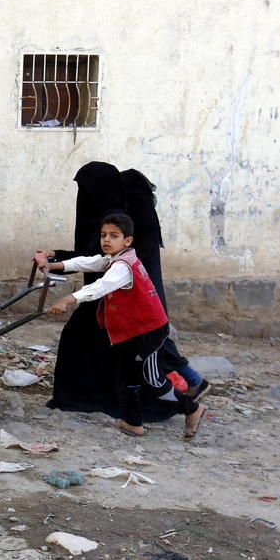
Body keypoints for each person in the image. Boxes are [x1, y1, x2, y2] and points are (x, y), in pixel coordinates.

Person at [38, 214, 207, 438]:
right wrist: (53, 264)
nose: (106, 240)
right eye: (103, 235)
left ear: (127, 240)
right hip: (131, 331)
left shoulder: (124, 266)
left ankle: (192, 409)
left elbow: (101, 286)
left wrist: (67, 299)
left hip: (147, 331)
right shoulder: (116, 258)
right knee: (126, 376)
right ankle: (133, 422)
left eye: (113, 236)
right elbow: (89, 262)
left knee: (152, 381)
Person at [38, 161, 178, 421]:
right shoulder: (110, 218)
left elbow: (98, 267)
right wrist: (54, 259)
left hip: (116, 298)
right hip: (109, 299)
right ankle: (100, 403)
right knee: (106, 354)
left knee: (123, 359)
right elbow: (92, 260)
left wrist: (70, 296)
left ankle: (182, 406)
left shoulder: (113, 221)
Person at [120, 169, 210, 400]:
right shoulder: (145, 221)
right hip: (149, 290)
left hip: (144, 291)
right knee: (154, 338)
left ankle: (191, 383)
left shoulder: (136, 226)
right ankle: (188, 381)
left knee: (155, 338)